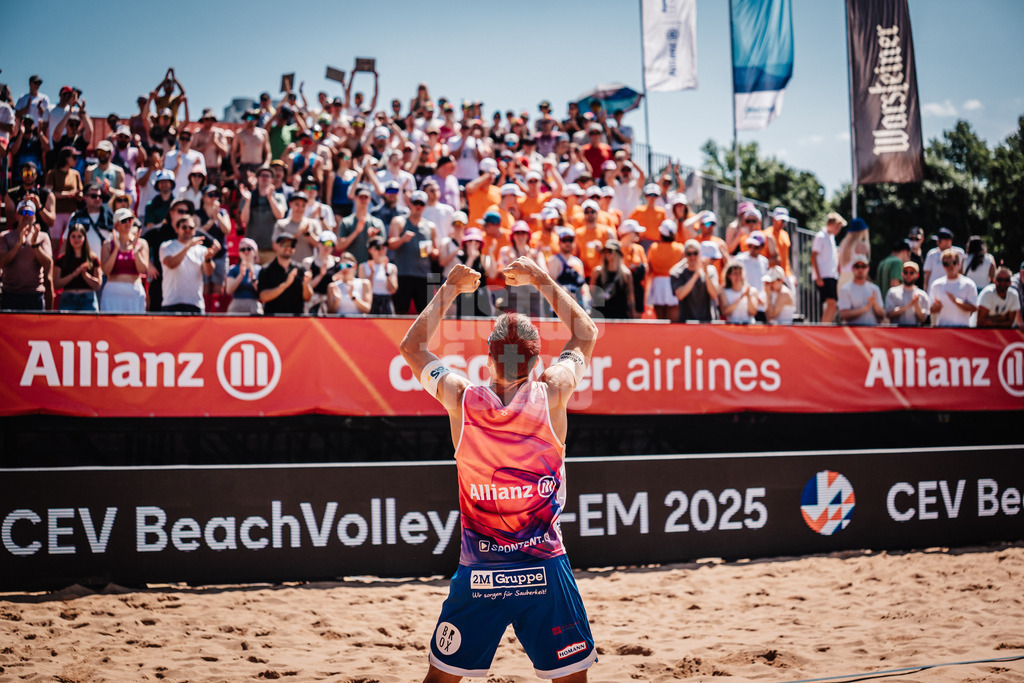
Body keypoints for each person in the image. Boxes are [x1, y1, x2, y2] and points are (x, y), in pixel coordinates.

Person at [400, 258, 599, 683]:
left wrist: (451, 288)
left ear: (489, 359)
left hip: (481, 572)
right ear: (537, 360)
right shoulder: (554, 392)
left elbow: (412, 348)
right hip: (544, 570)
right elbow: (585, 334)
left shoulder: (461, 398)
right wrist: (541, 279)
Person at [388, 190, 436, 314]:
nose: (418, 206)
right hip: (403, 274)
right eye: (416, 202)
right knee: (400, 312)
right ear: (410, 203)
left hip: (423, 276)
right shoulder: (399, 222)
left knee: (426, 316)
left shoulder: (430, 226)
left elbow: (437, 253)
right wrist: (402, 239)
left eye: (421, 203)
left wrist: (431, 251)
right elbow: (390, 244)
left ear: (425, 205)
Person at [160, 214, 218, 314]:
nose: (187, 230)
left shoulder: (201, 250)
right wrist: (188, 246)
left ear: (194, 230)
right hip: (171, 303)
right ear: (177, 229)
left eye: (190, 227)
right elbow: (171, 263)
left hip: (195, 304)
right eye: (184, 227)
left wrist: (208, 260)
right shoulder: (167, 246)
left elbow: (209, 272)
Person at [0, 200, 53, 311]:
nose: (26, 216)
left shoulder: (42, 237)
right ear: (16, 216)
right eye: (22, 212)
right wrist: (18, 244)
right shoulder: (5, 236)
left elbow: (48, 264)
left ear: (35, 216)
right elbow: (1, 262)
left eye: (29, 213)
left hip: (34, 295)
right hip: (10, 294)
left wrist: (35, 245)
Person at [98, 207, 149, 312]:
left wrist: (135, 250)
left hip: (134, 293)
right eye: (124, 220)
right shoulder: (107, 245)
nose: (128, 223)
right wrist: (116, 249)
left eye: (130, 220)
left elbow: (143, 269)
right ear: (116, 225)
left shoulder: (142, 243)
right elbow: (106, 270)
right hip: (113, 294)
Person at [238, 166, 287, 263]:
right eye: (262, 175)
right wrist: (248, 201)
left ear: (272, 179)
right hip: (251, 250)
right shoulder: (248, 197)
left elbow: (280, 216)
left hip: (271, 250)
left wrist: (270, 198)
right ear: (257, 178)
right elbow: (244, 220)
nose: (264, 178)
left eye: (267, 176)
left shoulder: (279, 197)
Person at [258, 233, 312, 316]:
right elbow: (263, 297)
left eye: (292, 245)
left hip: (297, 318)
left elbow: (308, 298)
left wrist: (306, 285)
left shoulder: (301, 269)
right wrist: (285, 284)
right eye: (285, 244)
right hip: (273, 318)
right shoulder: (266, 270)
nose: (289, 248)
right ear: (276, 246)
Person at [53, 223, 102, 312]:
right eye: (73, 236)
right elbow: (56, 284)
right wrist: (74, 274)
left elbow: (97, 285)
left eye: (79, 236)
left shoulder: (93, 258)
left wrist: (85, 275)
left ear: (84, 238)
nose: (76, 239)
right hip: (68, 299)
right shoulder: (61, 259)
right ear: (69, 238)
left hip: (88, 300)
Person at [670, 239, 719, 323]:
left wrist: (705, 272)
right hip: (686, 322)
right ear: (684, 255)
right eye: (689, 254)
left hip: (707, 321)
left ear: (700, 253)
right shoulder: (677, 272)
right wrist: (696, 275)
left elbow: (714, 294)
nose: (692, 257)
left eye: (695, 253)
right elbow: (680, 295)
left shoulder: (710, 270)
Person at [929, 248, 978, 327]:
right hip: (943, 329)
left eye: (953, 263)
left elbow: (974, 308)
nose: (950, 267)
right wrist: (937, 307)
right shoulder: (936, 285)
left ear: (959, 264)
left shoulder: (969, 284)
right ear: (943, 265)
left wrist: (956, 301)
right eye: (946, 264)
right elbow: (931, 310)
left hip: (963, 329)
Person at [646, 220, 685, 321]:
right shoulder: (680, 248)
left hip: (657, 285)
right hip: (673, 284)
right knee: (673, 321)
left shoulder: (653, 247)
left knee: (660, 320)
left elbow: (649, 269)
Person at [811, 212, 845, 323]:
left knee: (833, 305)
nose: (838, 230)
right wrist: (818, 277)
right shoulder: (821, 237)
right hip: (824, 276)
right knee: (831, 303)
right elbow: (813, 256)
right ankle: (824, 328)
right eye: (837, 226)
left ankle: (826, 326)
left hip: (831, 275)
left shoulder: (831, 238)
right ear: (830, 223)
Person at [589, 239, 634, 319]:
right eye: (605, 251)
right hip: (600, 315)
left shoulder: (626, 274)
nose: (607, 253)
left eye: (610, 251)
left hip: (620, 315)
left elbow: (630, 298)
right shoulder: (597, 272)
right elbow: (592, 294)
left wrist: (632, 316)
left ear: (618, 253)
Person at [547, 227, 588, 309]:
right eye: (564, 240)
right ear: (559, 242)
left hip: (577, 303)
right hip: (560, 305)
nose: (568, 243)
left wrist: (587, 295)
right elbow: (550, 283)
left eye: (570, 240)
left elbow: (582, 283)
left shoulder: (577, 262)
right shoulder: (554, 260)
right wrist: (565, 293)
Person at [838, 254, 884, 326]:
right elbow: (844, 314)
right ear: (852, 268)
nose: (860, 269)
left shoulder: (874, 289)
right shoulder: (845, 289)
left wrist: (874, 304)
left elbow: (882, 315)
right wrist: (866, 308)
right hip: (853, 331)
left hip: (872, 330)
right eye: (857, 266)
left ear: (868, 268)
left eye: (863, 266)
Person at [359, 235, 398, 315]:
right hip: (371, 302)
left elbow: (393, 290)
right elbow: (364, 290)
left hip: (386, 303)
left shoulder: (392, 267)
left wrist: (386, 272)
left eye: (384, 247)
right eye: (377, 248)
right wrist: (372, 273)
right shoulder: (363, 266)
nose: (381, 251)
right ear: (370, 250)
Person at [884, 261, 930, 326]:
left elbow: (923, 319)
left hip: (915, 331)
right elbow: (888, 314)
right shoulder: (892, 292)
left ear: (917, 275)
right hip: (896, 331)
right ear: (902, 274)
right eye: (906, 272)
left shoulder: (922, 294)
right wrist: (908, 305)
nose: (908, 275)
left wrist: (916, 305)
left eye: (911, 273)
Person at [225, 237, 263, 315]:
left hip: (254, 306)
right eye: (242, 249)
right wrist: (241, 275)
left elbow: (262, 293)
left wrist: (253, 278)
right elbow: (229, 290)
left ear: (255, 252)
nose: (246, 252)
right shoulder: (233, 269)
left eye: (249, 249)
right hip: (236, 307)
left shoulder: (260, 270)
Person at [837, 217, 871, 291]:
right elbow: (863, 267)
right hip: (855, 280)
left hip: (842, 280)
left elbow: (838, 267)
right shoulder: (861, 245)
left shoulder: (843, 244)